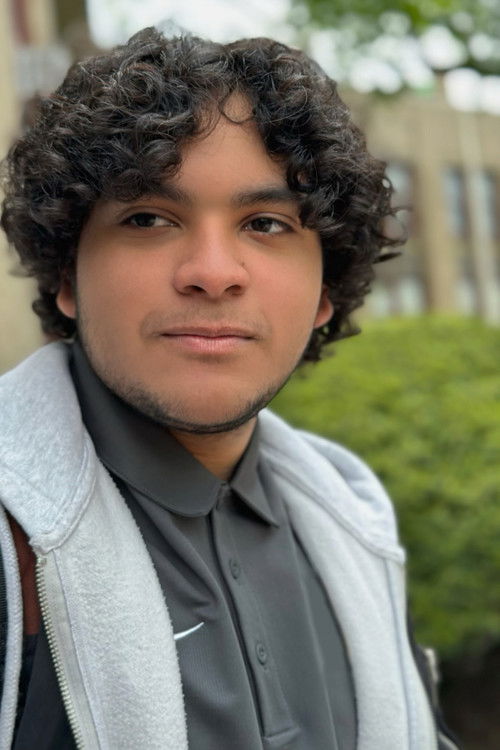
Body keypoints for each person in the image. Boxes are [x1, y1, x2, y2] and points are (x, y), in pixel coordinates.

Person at [0, 28, 457, 750]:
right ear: (66, 275)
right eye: (148, 218)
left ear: (325, 292)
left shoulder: (355, 519)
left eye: (265, 223)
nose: (213, 273)